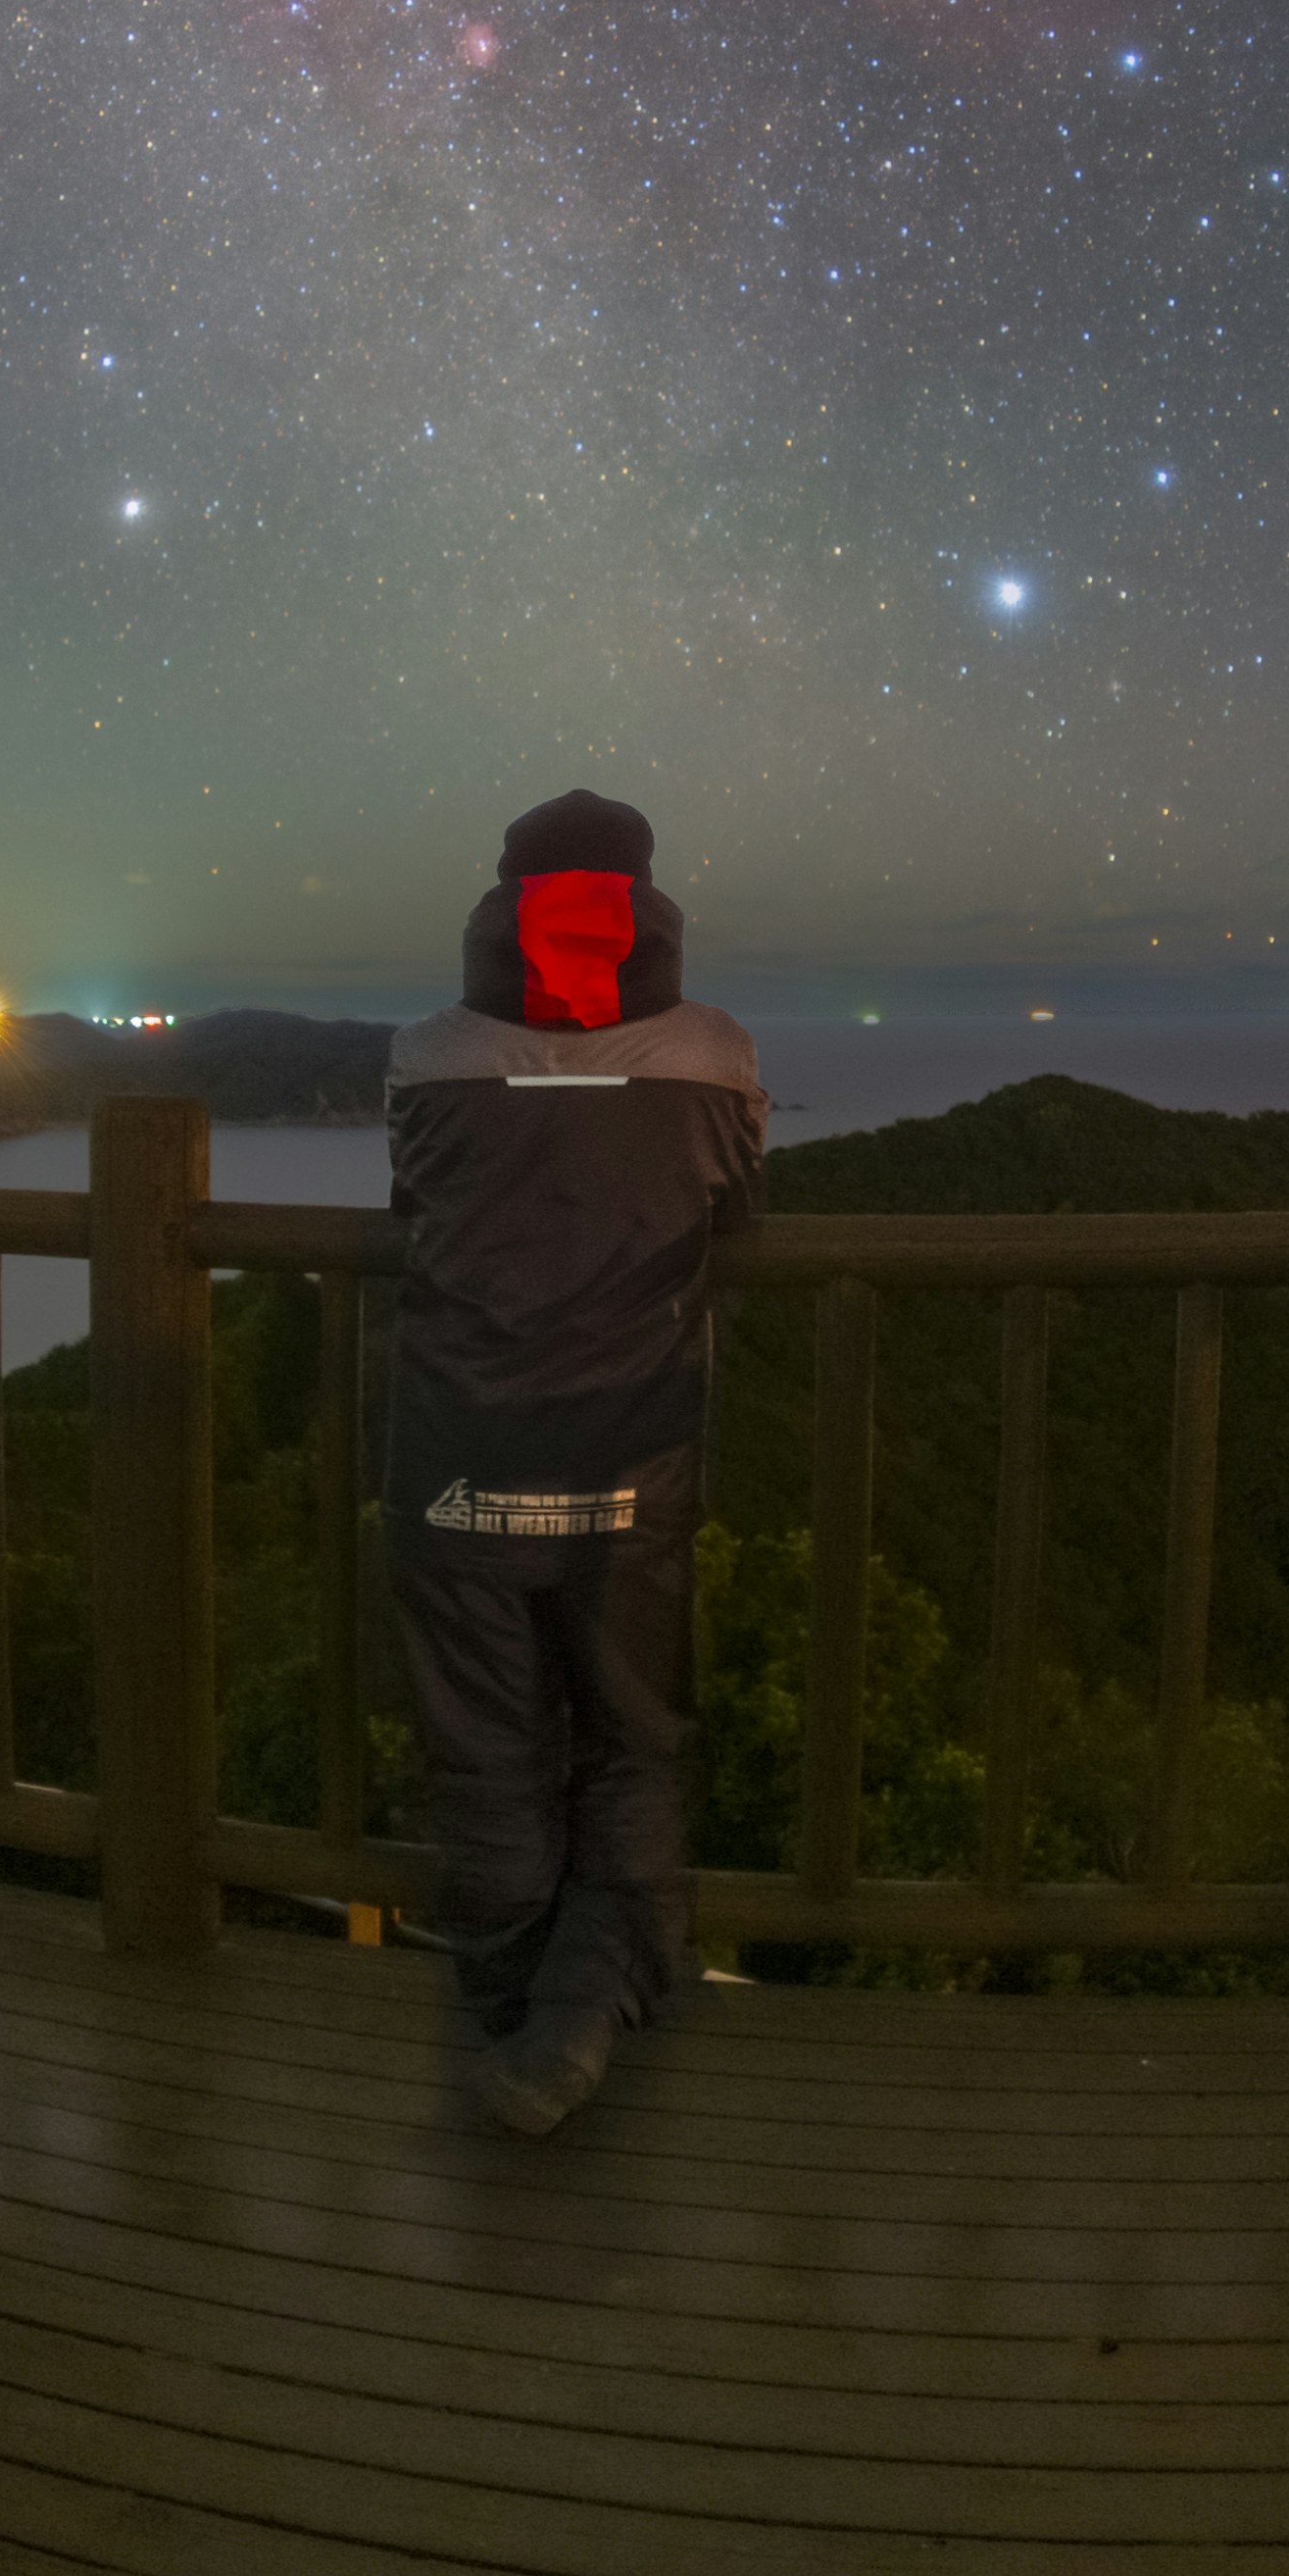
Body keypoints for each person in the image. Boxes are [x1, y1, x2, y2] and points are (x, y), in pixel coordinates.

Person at [382, 788, 766, 2134]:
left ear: (500, 906)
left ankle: (509, 2002)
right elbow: (738, 1208)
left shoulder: (423, 1056)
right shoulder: (717, 1056)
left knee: (486, 1750)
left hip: (457, 1459)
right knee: (633, 1743)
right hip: (632, 1464)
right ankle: (591, 2008)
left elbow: (416, 1211)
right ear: (649, 904)